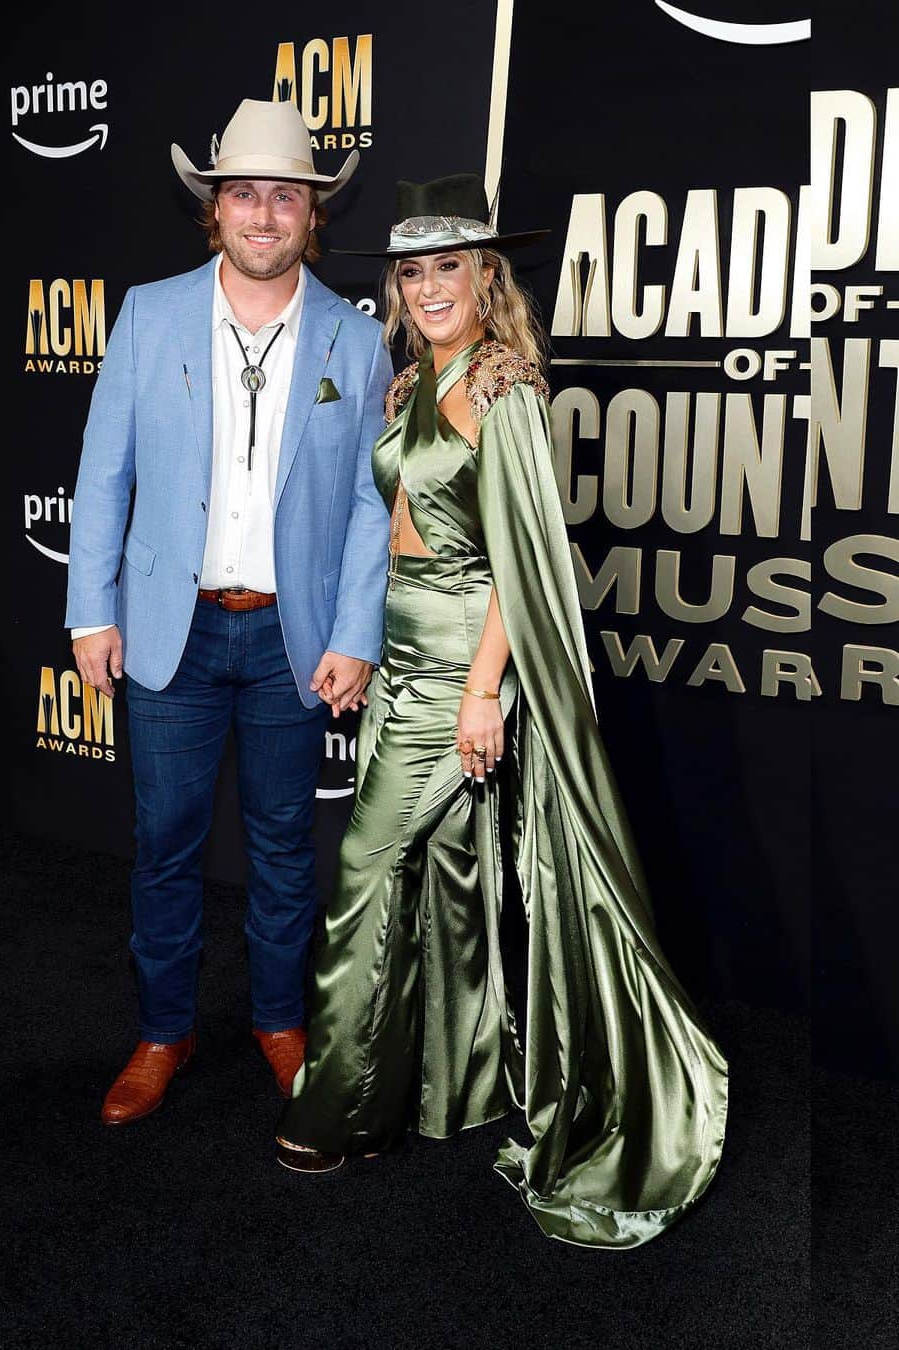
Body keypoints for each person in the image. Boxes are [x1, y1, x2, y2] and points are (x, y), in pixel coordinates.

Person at [274, 174, 728, 1249]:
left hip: (459, 671)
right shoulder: (414, 379)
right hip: (402, 657)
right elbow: (397, 533)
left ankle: (338, 1112)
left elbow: (524, 568)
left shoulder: (506, 387)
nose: (431, 286)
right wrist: (367, 652)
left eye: (452, 266)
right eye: (414, 269)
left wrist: (485, 691)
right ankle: (443, 1091)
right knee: (447, 882)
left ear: (488, 276)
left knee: (360, 880)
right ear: (400, 283)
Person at [65, 99, 393, 1126]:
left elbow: (372, 505)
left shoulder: (355, 336)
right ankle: (163, 1032)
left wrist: (353, 632)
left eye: (284, 195)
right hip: (176, 630)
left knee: (287, 844)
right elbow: (102, 473)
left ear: (312, 215)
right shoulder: (149, 314)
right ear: (215, 208)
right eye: (244, 193)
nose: (263, 213)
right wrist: (90, 613)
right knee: (164, 841)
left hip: (292, 640)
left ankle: (280, 1020)